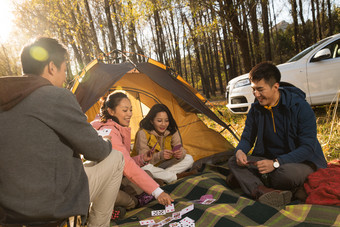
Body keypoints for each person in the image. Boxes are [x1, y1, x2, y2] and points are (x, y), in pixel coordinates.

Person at [0, 37, 124, 226]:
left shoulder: (6, 99)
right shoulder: (55, 96)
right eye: (65, 69)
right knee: (116, 157)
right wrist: (105, 141)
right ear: (51, 67)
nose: (65, 77)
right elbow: (97, 151)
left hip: (11, 212)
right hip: (51, 208)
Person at [227, 62, 327, 208]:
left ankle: (252, 181)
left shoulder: (300, 107)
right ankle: (262, 191)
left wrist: (276, 163)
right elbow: (247, 138)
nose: (256, 95)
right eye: (253, 89)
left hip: (301, 162)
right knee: (233, 161)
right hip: (268, 160)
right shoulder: (256, 110)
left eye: (260, 89)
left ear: (275, 87)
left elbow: (307, 148)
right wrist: (240, 151)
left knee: (283, 175)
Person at [91, 92, 173, 214]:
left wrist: (142, 159)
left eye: (130, 110)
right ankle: (131, 203)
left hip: (112, 179)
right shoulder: (109, 133)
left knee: (148, 174)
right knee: (130, 198)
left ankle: (118, 204)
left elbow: (121, 161)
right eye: (125, 110)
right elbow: (127, 167)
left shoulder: (112, 126)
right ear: (111, 111)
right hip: (101, 187)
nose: (130, 114)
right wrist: (158, 192)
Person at [133, 104, 195, 184]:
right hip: (149, 165)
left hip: (163, 166)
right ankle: (175, 177)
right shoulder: (142, 133)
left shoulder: (172, 131)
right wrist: (159, 156)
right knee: (144, 168)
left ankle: (162, 177)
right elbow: (143, 160)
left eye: (166, 120)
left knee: (189, 158)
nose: (163, 124)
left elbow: (179, 148)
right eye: (159, 121)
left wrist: (180, 154)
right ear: (152, 121)